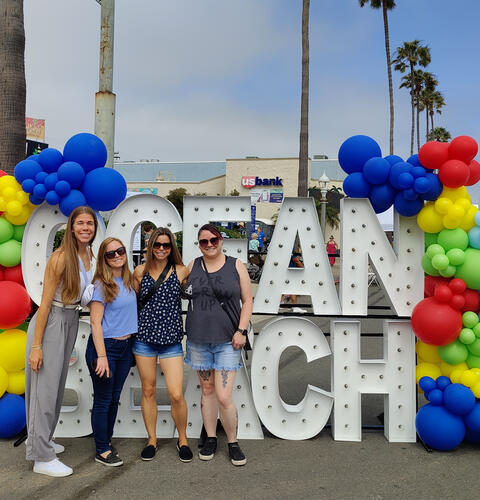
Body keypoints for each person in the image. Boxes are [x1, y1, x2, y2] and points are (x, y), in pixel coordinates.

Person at [25, 206, 98, 477]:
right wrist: (37, 346)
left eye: (89, 223)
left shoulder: (88, 254)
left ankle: (44, 441)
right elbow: (43, 305)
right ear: (71, 226)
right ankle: (40, 457)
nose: (85, 228)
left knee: (55, 387)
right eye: (80, 223)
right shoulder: (60, 257)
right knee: (43, 390)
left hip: (70, 319)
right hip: (52, 320)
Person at [185, 223, 253, 466]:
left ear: (221, 240)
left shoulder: (236, 265)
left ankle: (233, 441)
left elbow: (247, 301)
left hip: (228, 341)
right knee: (207, 392)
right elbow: (174, 286)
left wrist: (241, 330)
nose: (210, 245)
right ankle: (211, 437)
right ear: (199, 244)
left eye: (213, 240)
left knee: (224, 396)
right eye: (204, 242)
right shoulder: (192, 266)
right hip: (198, 340)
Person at [132, 227, 193, 462]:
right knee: (147, 391)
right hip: (144, 340)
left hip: (171, 341)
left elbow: (196, 293)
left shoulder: (180, 270)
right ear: (150, 247)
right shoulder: (139, 272)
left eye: (166, 245)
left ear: (171, 248)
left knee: (176, 394)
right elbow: (133, 304)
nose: (161, 249)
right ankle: (152, 440)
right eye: (157, 245)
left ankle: (183, 439)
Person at [85, 237, 137, 467]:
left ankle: (105, 440)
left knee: (114, 399)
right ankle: (102, 450)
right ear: (103, 259)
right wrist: (102, 356)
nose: (117, 255)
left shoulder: (129, 281)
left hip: (125, 348)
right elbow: (95, 323)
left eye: (120, 251)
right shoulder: (100, 285)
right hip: (105, 348)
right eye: (110, 254)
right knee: (104, 400)